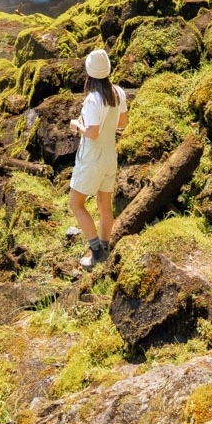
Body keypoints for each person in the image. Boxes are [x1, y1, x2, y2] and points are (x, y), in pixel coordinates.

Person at [68, 47, 128, 269]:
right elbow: (123, 123)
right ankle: (105, 247)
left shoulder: (93, 99)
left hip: (92, 156)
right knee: (105, 205)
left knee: (75, 203)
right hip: (110, 154)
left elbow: (92, 133)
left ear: (89, 73)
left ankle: (96, 252)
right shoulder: (118, 93)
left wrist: (77, 126)